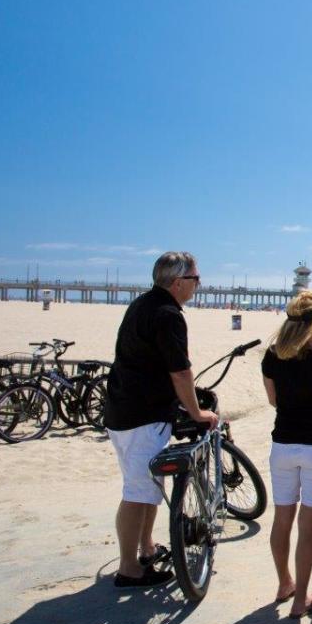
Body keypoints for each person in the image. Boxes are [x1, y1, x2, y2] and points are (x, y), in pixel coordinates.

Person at [105, 252, 217, 589]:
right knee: (137, 491)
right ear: (178, 281)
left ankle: (147, 548)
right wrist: (196, 412)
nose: (198, 285)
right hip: (142, 415)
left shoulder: (142, 305)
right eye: (196, 279)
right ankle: (129, 568)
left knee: (148, 488)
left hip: (123, 408)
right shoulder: (168, 314)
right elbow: (180, 370)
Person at [261, 290, 312, 617]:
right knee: (309, 525)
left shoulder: (271, 356)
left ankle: (285, 583)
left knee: (282, 519)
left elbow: (273, 401)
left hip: (282, 445)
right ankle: (300, 601)